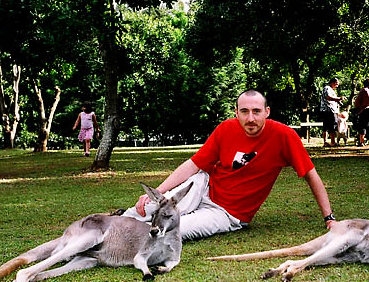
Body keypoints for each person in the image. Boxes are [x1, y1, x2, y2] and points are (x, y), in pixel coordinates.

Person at [121, 89, 339, 242]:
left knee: (172, 228)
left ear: (267, 112)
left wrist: (329, 219)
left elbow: (312, 176)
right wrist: (158, 191)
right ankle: (110, 224)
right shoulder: (226, 128)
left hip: (228, 214)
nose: (250, 118)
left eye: (256, 111)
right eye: (244, 111)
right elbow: (193, 165)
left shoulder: (284, 136)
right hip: (203, 186)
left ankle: (123, 238)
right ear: (236, 112)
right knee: (149, 208)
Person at [319, 78, 345, 147]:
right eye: (336, 84)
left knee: (328, 126)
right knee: (331, 126)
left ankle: (327, 142)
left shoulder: (331, 90)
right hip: (328, 110)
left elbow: (333, 99)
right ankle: (332, 142)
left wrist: (339, 102)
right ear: (332, 82)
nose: (337, 86)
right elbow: (328, 97)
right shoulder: (327, 88)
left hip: (331, 110)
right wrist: (339, 98)